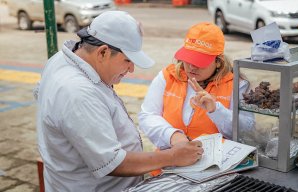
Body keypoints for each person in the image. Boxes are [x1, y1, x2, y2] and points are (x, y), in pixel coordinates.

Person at [34, 11, 203, 192]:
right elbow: (111, 163)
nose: (131, 69)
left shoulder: (63, 59)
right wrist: (174, 156)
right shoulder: (78, 92)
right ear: (103, 52)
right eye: (127, 60)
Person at [138, 22, 255, 152]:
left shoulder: (237, 85)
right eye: (188, 58)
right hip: (168, 164)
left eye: (200, 61)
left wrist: (216, 110)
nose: (192, 66)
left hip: (216, 167)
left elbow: (247, 130)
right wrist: (172, 135)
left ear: (218, 62)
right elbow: (147, 115)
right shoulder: (168, 76)